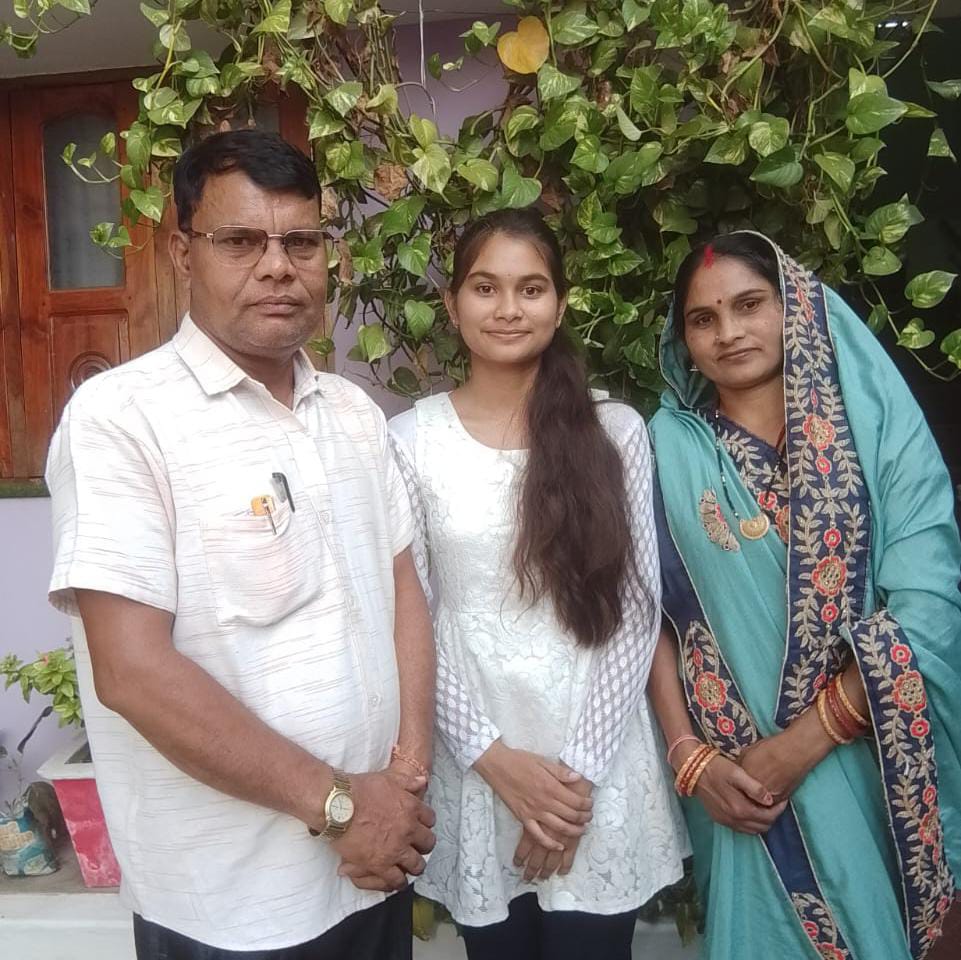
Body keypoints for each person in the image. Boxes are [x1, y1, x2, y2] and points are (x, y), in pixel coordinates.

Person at [45, 130, 436, 960]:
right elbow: (133, 673)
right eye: (240, 241)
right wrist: (340, 806)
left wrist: (403, 779)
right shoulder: (122, 419)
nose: (277, 267)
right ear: (183, 253)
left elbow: (401, 587)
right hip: (230, 905)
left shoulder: (354, 416)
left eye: (301, 242)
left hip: (371, 866)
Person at [646, 230, 961, 959]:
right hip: (737, 785)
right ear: (682, 339)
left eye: (749, 304)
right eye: (702, 318)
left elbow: (928, 605)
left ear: (795, 309)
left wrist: (808, 738)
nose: (728, 332)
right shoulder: (665, 448)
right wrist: (690, 756)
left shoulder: (876, 434)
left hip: (868, 764)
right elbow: (647, 616)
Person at [388, 208, 687, 960]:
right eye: (485, 287)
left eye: (531, 288)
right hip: (478, 757)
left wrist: (574, 780)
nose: (508, 308)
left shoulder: (614, 430)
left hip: (595, 760)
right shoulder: (410, 440)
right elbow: (416, 614)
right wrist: (493, 760)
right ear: (453, 303)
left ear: (559, 304)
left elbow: (636, 609)